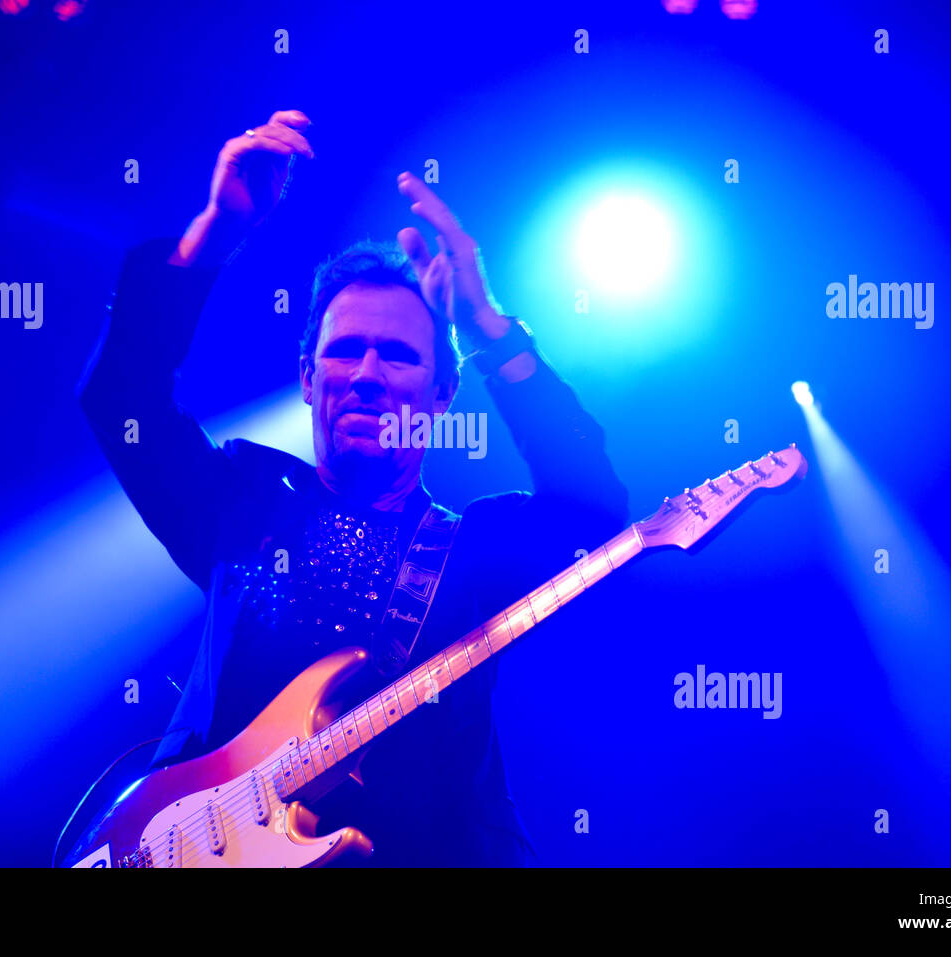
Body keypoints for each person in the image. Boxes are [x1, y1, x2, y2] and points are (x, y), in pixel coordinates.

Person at [76, 108, 629, 866]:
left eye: (398, 355)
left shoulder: (476, 551)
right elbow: (122, 398)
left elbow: (593, 512)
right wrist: (217, 231)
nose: (367, 374)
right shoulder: (241, 501)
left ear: (443, 391)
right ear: (307, 378)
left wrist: (488, 325)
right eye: (346, 352)